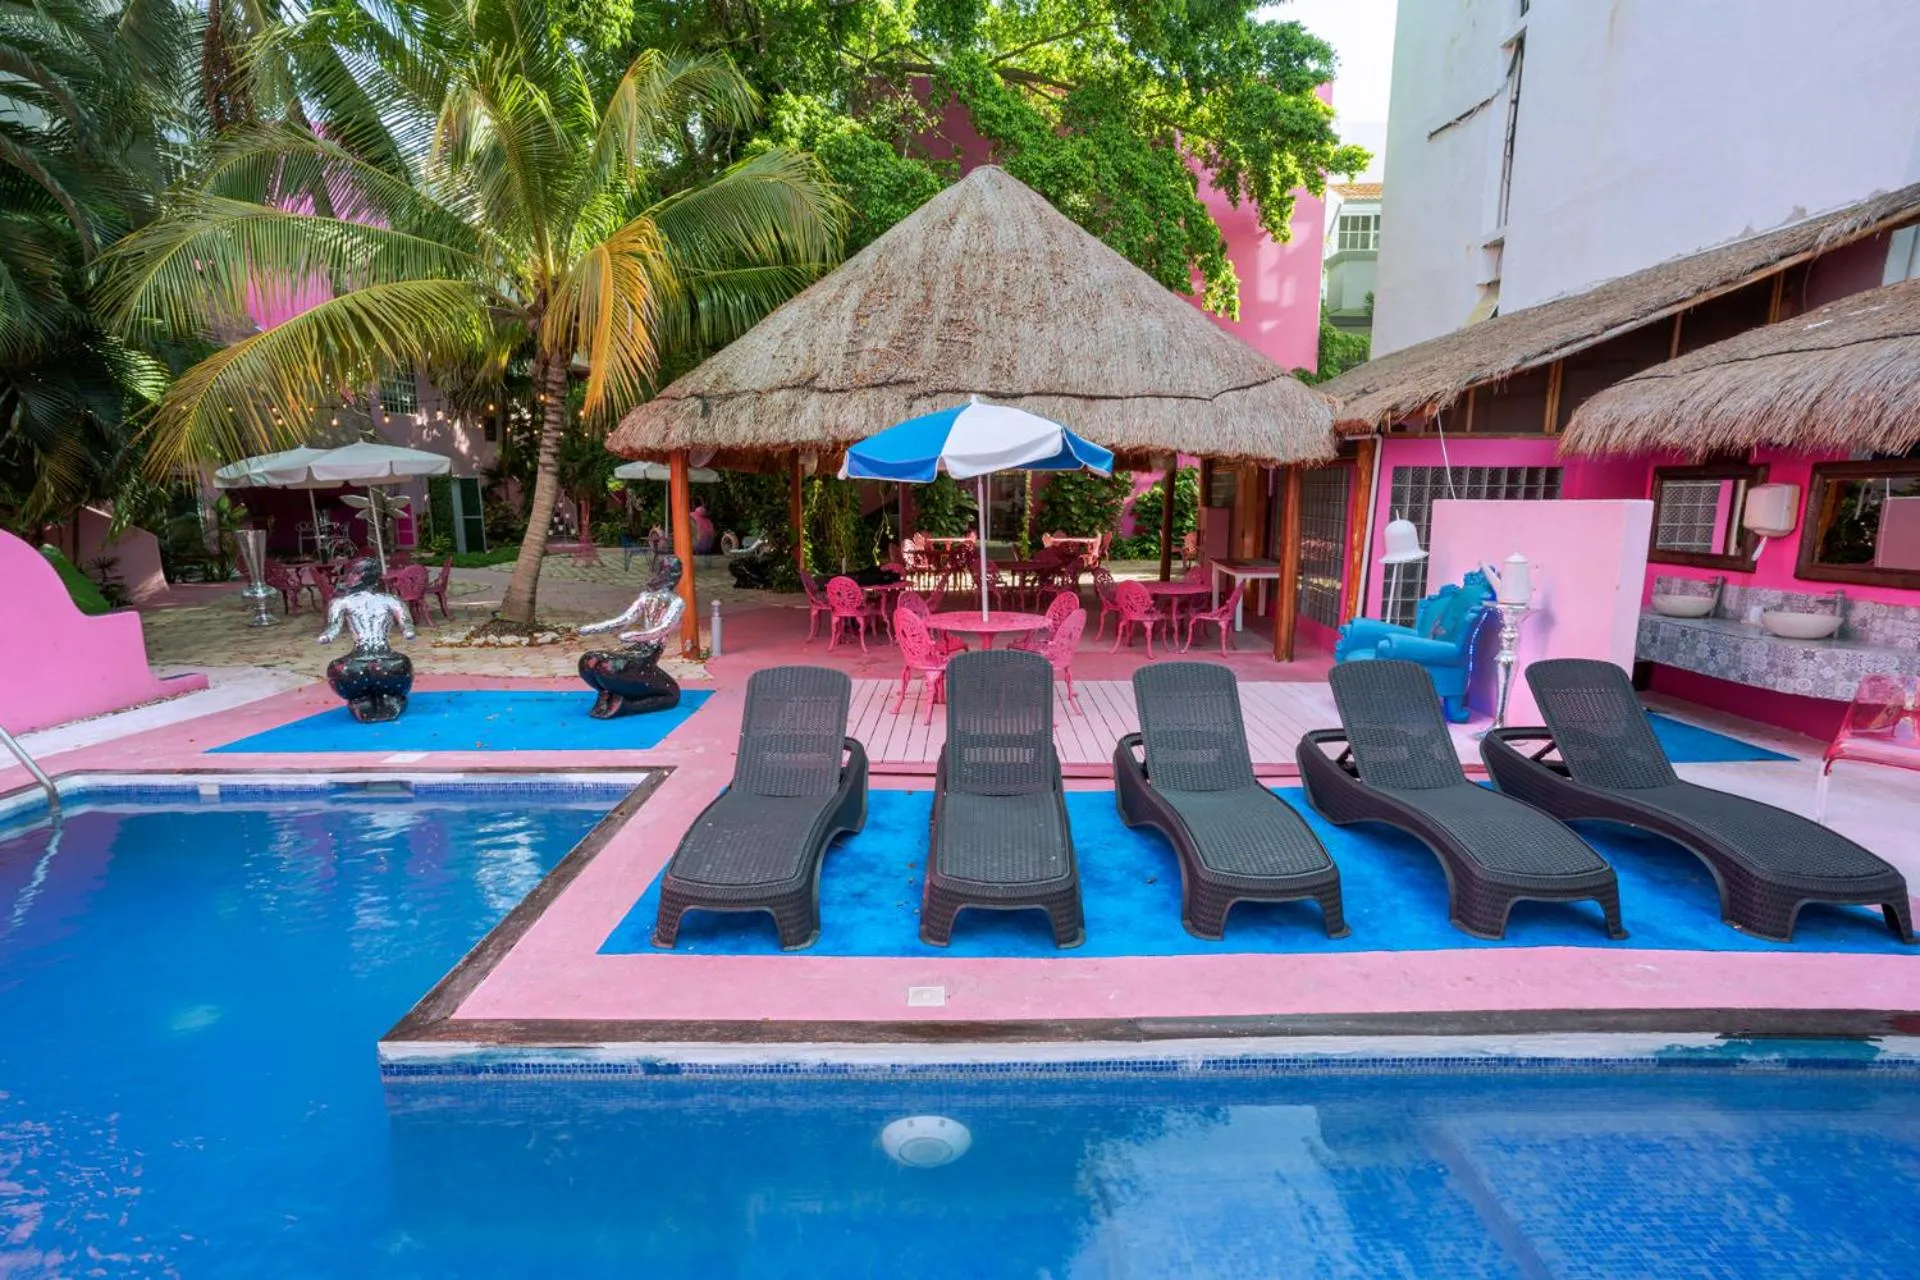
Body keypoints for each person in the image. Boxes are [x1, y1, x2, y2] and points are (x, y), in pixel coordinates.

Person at [577, 555, 684, 718]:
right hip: (641, 653)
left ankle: (617, 700)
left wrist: (635, 636)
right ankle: (616, 699)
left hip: (645, 653)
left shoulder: (674, 602)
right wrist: (591, 629)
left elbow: (664, 628)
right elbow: (623, 620)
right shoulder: (650, 597)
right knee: (589, 660)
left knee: (602, 665)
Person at [317, 557, 416, 722]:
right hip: (358, 655)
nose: (351, 577)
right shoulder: (341, 602)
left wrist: (408, 631)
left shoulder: (390, 599)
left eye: (356, 573)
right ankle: (361, 700)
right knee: (342, 670)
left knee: (399, 666)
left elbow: (406, 622)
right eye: (352, 573)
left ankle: (389, 699)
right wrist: (326, 636)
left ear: (368, 575)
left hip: (385, 654)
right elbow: (333, 627)